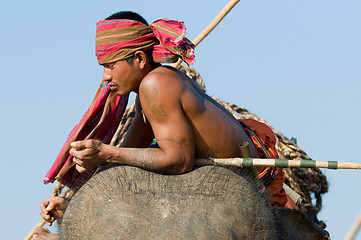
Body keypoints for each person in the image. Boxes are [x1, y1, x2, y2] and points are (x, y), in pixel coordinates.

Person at [36, 11, 294, 238]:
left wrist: (106, 152)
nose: (106, 76)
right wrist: (73, 205)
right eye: (103, 67)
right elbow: (123, 161)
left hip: (240, 183)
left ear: (138, 59)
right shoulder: (148, 92)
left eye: (111, 65)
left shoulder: (155, 84)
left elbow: (178, 159)